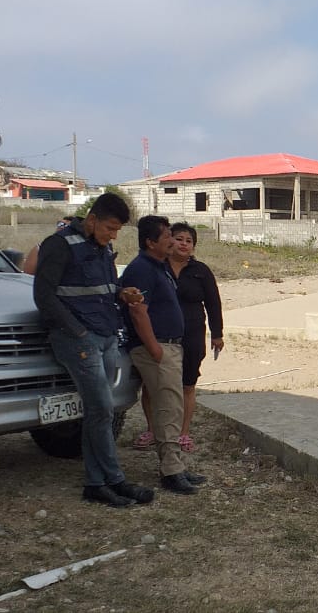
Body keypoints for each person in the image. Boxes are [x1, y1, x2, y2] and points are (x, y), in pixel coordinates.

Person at [33, 193, 155, 507]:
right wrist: (78, 332)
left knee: (99, 412)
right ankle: (110, 480)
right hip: (79, 340)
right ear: (92, 219)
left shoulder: (103, 249)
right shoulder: (59, 244)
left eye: (117, 231)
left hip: (105, 335)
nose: (113, 236)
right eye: (109, 228)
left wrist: (122, 293)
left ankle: (98, 482)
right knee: (101, 410)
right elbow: (44, 296)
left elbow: (105, 289)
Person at [119, 216, 209, 495]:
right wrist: (155, 349)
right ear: (150, 242)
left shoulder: (159, 267)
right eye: (168, 236)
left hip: (170, 346)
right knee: (168, 407)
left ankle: (176, 464)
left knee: (173, 405)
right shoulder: (142, 269)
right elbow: (138, 310)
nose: (173, 240)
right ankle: (171, 471)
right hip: (157, 348)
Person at [165, 222, 223, 452]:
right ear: (168, 241)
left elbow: (213, 303)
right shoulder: (157, 267)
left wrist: (217, 334)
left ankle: (183, 433)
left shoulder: (201, 271)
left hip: (192, 334)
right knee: (156, 385)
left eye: (189, 241)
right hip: (161, 336)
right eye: (179, 239)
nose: (184, 244)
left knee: (188, 384)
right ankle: (153, 430)